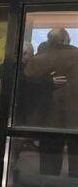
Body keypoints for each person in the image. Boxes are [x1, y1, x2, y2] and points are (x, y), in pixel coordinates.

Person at [24, 27, 78, 176]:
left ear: (49, 40)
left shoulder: (38, 60)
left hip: (47, 117)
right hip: (76, 117)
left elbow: (24, 86)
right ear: (67, 40)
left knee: (48, 166)